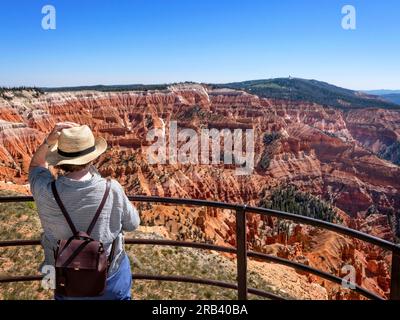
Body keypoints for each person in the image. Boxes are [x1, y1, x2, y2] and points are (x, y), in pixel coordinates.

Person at [28, 122, 140, 300]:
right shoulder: (112, 189)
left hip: (66, 281)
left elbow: (35, 166)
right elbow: (133, 224)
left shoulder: (45, 191)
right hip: (109, 280)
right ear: (92, 157)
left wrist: (49, 142)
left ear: (61, 160)